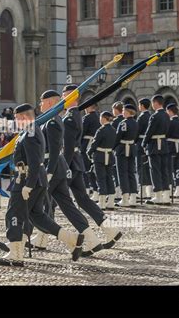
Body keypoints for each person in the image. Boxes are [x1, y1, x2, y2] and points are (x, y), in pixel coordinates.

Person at [0, 103, 84, 267]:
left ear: (23, 117)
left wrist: (28, 185)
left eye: (16, 117)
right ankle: (72, 239)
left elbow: (35, 161)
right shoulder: (29, 130)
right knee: (38, 216)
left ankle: (15, 254)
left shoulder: (30, 133)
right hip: (36, 179)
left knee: (14, 214)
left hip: (27, 179)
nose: (15, 120)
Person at [25, 90, 104, 255]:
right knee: (66, 206)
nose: (40, 105)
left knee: (32, 205)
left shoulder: (52, 121)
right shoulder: (51, 120)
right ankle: (92, 240)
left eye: (42, 102)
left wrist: (48, 173)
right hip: (58, 168)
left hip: (52, 168)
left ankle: (19, 239)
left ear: (49, 103)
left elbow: (54, 151)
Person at [62, 85, 122, 247]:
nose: (62, 98)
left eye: (65, 95)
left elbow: (68, 147)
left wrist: (63, 167)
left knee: (52, 199)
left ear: (73, 97)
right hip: (76, 162)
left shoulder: (70, 117)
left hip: (69, 164)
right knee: (83, 199)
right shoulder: (76, 115)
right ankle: (110, 230)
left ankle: (88, 237)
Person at [142, 95, 170, 205]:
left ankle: (158, 195)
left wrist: (144, 143)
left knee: (155, 170)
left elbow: (149, 131)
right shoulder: (167, 115)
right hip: (163, 144)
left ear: (156, 103)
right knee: (164, 170)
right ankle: (166, 195)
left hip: (154, 145)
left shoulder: (155, 116)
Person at [88, 112, 117, 210]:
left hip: (100, 156)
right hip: (109, 155)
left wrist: (89, 153)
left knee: (100, 178)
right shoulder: (113, 130)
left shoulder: (101, 130)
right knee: (109, 178)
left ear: (104, 118)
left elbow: (94, 144)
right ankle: (111, 202)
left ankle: (102, 202)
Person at [114, 104, 138, 207]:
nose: (122, 112)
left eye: (124, 110)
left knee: (122, 174)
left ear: (128, 111)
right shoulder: (135, 123)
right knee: (131, 173)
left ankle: (125, 198)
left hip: (122, 149)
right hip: (132, 148)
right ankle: (133, 198)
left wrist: (113, 147)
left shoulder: (123, 123)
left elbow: (118, 137)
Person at [81, 103, 101, 200]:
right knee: (92, 169)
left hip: (86, 144)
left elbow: (82, 131)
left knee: (86, 168)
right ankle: (95, 190)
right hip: (95, 144)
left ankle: (87, 189)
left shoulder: (87, 118)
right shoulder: (98, 117)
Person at [166, 103, 179, 198]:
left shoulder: (170, 122)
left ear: (169, 111)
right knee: (178, 169)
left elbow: (166, 134)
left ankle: (169, 188)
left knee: (169, 168)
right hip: (178, 146)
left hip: (170, 146)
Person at [137, 98, 153, 199]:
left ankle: (142, 191)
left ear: (142, 106)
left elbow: (137, 131)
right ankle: (149, 191)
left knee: (140, 167)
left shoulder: (141, 117)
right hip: (149, 143)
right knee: (147, 167)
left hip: (140, 142)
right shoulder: (150, 116)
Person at [111, 101, 124, 200]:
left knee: (117, 170)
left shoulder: (115, 122)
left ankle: (118, 191)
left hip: (118, 148)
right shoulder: (125, 120)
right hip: (128, 147)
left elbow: (114, 136)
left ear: (116, 110)